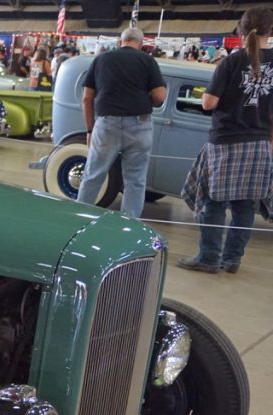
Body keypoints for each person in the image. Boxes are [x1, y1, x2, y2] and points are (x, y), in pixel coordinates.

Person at [178, 8, 273, 274]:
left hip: (226, 141)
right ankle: (232, 260)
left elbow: (209, 103)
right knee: (246, 205)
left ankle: (209, 258)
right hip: (260, 142)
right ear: (271, 31)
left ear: (240, 30)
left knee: (214, 202)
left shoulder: (231, 62)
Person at [75, 27, 166, 218]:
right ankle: (129, 225)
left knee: (93, 175)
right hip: (139, 126)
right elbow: (159, 96)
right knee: (135, 181)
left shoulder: (101, 59)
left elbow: (86, 98)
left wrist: (90, 129)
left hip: (107, 124)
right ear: (141, 45)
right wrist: (144, 99)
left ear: (120, 42)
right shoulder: (147, 60)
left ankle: (80, 218)